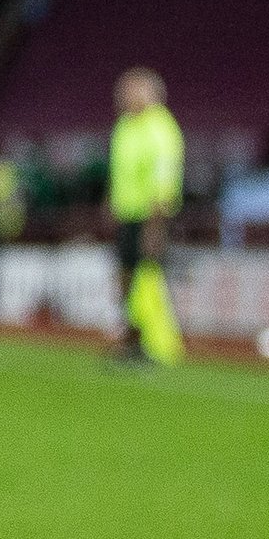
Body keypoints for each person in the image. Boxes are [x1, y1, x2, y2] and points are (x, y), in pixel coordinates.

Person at [106, 68, 188, 367]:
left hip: (151, 216)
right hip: (127, 214)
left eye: (128, 91)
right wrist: (111, 204)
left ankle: (155, 344)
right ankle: (131, 341)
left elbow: (163, 178)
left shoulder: (161, 128)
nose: (122, 97)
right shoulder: (125, 126)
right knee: (127, 279)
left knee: (148, 279)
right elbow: (121, 172)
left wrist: (155, 224)